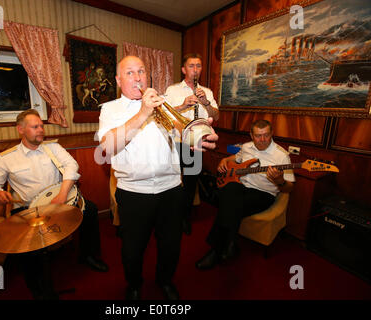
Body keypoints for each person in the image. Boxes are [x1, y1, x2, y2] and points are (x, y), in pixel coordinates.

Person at [97, 55, 218, 300]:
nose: (137, 77)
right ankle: (133, 285)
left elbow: (182, 136)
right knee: (132, 249)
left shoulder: (164, 106)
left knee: (170, 246)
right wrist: (143, 112)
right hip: (133, 193)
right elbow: (107, 149)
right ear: (119, 80)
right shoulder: (110, 109)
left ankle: (165, 281)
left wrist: (199, 139)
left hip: (171, 189)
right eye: (129, 73)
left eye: (141, 71)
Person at [0, 109, 109, 299]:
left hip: (60, 199)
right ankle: (37, 285)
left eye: (42, 126)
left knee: (90, 210)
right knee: (25, 237)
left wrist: (63, 194)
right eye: (35, 127)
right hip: (28, 207)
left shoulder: (53, 148)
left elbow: (72, 166)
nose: (41, 130)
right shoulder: (6, 158)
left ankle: (88, 255)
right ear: (20, 130)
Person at [195, 119, 295, 270]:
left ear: (272, 133)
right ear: (251, 135)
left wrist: (280, 181)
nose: (262, 140)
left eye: (266, 135)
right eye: (258, 136)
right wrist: (224, 160)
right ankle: (230, 243)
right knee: (230, 191)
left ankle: (217, 250)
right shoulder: (247, 147)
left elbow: (289, 188)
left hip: (263, 194)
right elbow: (236, 159)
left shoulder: (282, 156)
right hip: (242, 186)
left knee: (228, 202)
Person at [165, 53, 220, 235]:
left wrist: (205, 102)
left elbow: (216, 116)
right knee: (172, 182)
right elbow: (163, 115)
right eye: (191, 66)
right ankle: (170, 216)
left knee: (190, 184)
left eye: (198, 66)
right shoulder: (173, 90)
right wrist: (182, 105)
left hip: (195, 144)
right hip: (175, 143)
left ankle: (184, 218)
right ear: (183, 69)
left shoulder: (208, 92)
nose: (195, 69)